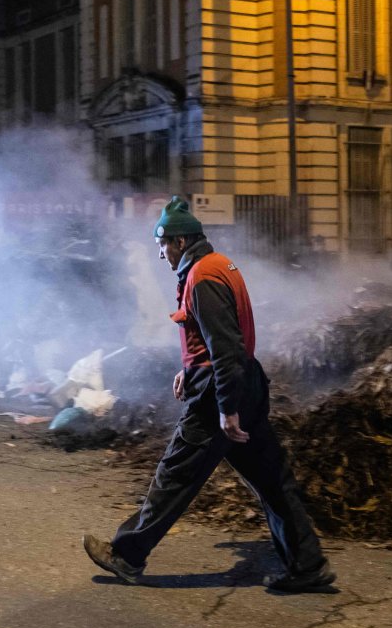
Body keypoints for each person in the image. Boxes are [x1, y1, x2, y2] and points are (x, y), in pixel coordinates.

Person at [83, 197, 335, 594]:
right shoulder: (218, 265)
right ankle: (307, 565)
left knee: (175, 475)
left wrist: (226, 409)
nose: (160, 254)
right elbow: (214, 338)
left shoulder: (202, 278)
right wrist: (190, 368)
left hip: (220, 392)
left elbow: (226, 347)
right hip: (241, 383)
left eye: (162, 245)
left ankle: (126, 556)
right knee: (272, 479)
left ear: (180, 241)